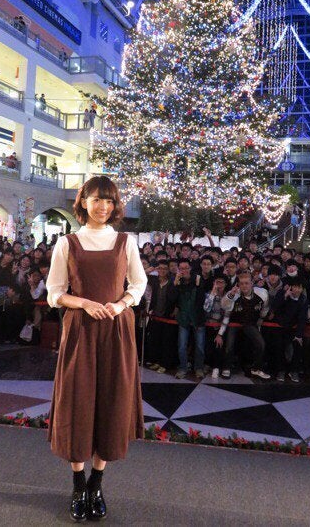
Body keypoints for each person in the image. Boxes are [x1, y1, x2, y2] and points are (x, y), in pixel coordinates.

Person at [46, 175, 147, 522]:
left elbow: (139, 283)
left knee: (111, 401)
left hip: (117, 329)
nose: (103, 206)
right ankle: (78, 484)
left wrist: (119, 305)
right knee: (77, 401)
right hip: (80, 330)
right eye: (96, 199)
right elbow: (55, 292)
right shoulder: (67, 243)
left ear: (115, 205)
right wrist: (85, 303)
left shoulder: (125, 242)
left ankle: (97, 483)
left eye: (109, 200)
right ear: (83, 203)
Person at [168, 258, 207, 379]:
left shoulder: (198, 279)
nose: (184, 270)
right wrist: (175, 283)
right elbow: (172, 299)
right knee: (182, 345)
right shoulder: (176, 281)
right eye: (181, 268)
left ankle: (199, 368)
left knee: (200, 346)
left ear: (190, 268)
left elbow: (202, 300)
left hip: (198, 317)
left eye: (186, 268)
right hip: (183, 317)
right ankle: (183, 368)